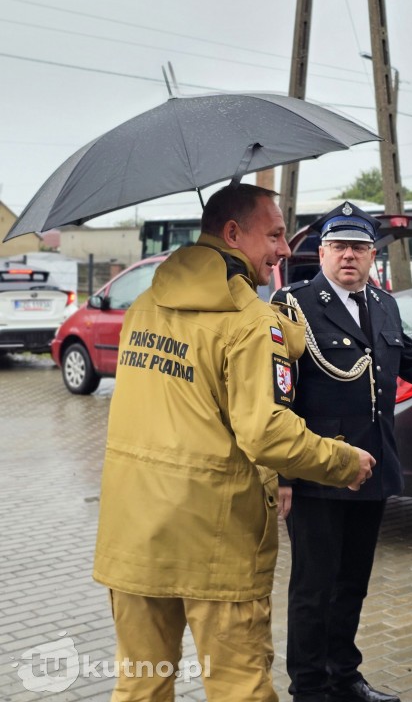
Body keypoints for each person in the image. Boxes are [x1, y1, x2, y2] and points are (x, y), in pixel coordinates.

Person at [93, 184, 375, 702]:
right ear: (232, 234)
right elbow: (266, 433)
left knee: (141, 683)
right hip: (213, 542)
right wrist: (342, 460)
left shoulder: (144, 306)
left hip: (133, 533)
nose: (285, 250)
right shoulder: (250, 323)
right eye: (274, 234)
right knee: (239, 688)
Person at [272, 202, 412, 702]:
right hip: (319, 472)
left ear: (372, 254)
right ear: (323, 251)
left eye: (358, 247)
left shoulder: (383, 304)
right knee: (313, 589)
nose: (348, 256)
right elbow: (278, 395)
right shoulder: (293, 306)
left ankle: (344, 675)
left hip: (374, 469)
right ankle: (309, 687)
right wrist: (282, 475)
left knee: (352, 581)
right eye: (338, 246)